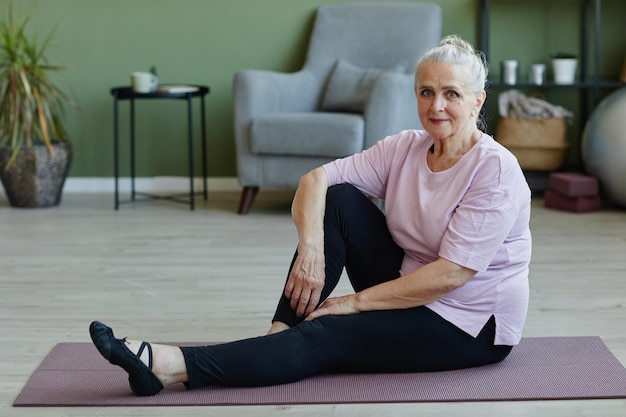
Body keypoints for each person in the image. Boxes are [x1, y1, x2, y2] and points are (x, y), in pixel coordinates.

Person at [89, 34, 532, 396]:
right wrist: (311, 248)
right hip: (406, 281)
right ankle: (276, 336)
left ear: (477, 102)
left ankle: (166, 364)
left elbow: (450, 275)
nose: (436, 106)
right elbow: (316, 180)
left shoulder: (494, 170)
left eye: (451, 94)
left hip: (467, 322)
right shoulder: (406, 147)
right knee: (338, 200)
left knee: (330, 333)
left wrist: (354, 303)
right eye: (427, 92)